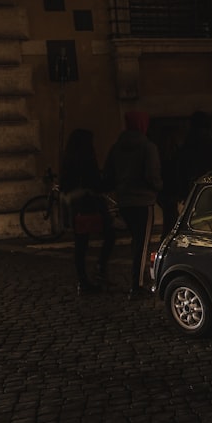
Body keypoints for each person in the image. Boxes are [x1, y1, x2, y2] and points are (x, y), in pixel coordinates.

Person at [103, 111, 163, 299]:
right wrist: (159, 187)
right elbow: (152, 174)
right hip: (143, 201)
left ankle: (136, 280)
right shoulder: (148, 147)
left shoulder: (116, 147)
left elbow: (108, 174)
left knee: (136, 244)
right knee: (142, 244)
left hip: (124, 201)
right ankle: (137, 286)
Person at [60, 128, 115, 295]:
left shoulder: (67, 160)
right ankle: (99, 268)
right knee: (110, 235)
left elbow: (64, 186)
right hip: (91, 204)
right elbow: (96, 184)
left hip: (76, 207)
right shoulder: (87, 160)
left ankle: (83, 280)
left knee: (81, 245)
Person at [176, 111, 212, 202]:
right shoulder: (210, 142)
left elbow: (182, 168)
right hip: (211, 188)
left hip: (195, 188)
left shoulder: (188, 143)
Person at [156, 125, 182, 236]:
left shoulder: (159, 154)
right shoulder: (175, 155)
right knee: (171, 221)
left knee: (170, 220)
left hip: (164, 192)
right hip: (170, 192)